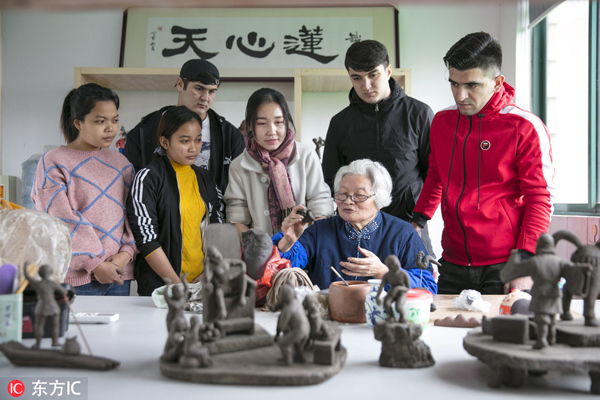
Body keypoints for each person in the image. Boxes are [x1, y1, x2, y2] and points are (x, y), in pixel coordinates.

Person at [411, 31, 556, 295]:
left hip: (506, 263)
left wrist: (525, 261)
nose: (460, 95)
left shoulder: (524, 127)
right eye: (454, 83)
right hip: (452, 260)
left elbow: (540, 199)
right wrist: (417, 221)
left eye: (472, 85)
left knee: (500, 335)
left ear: (497, 82)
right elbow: (436, 175)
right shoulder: (443, 123)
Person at [322, 40, 435, 256]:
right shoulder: (340, 123)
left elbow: (434, 174)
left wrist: (419, 221)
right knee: (359, 288)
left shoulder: (419, 114)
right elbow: (332, 178)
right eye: (357, 77)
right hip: (358, 229)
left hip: (411, 225)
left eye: (373, 75)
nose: (366, 85)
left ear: (388, 71)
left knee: (416, 287)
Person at [31, 83, 136, 296]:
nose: (110, 128)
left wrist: (125, 255)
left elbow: (133, 216)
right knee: (77, 330)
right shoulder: (53, 161)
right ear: (78, 123)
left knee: (120, 330)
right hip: (76, 277)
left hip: (118, 274)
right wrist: (95, 264)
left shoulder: (122, 163)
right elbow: (60, 220)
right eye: (100, 121)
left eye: (115, 120)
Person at [273, 159, 437, 293]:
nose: (348, 201)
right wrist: (287, 242)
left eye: (359, 195)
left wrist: (384, 273)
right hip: (330, 319)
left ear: (379, 200)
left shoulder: (403, 233)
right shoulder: (319, 230)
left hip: (384, 323)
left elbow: (428, 287)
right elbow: (279, 273)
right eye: (342, 193)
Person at [126, 106, 224, 296]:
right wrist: (176, 284)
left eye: (198, 140)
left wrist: (208, 272)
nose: (194, 148)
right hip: (162, 287)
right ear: (165, 142)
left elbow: (217, 225)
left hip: (201, 284)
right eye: (185, 141)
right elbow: (146, 238)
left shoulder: (205, 178)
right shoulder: (148, 178)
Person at [124, 59, 244, 196]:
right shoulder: (144, 130)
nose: (205, 98)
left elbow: (238, 191)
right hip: (159, 214)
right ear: (180, 84)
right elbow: (132, 187)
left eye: (212, 92)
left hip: (210, 213)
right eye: (199, 88)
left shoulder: (231, 136)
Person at [224, 88, 334, 236]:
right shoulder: (238, 166)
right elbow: (236, 218)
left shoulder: (306, 155)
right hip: (260, 253)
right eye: (262, 123)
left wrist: (305, 246)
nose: (272, 131)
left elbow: (321, 206)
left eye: (279, 122)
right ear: (250, 125)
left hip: (304, 248)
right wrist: (262, 252)